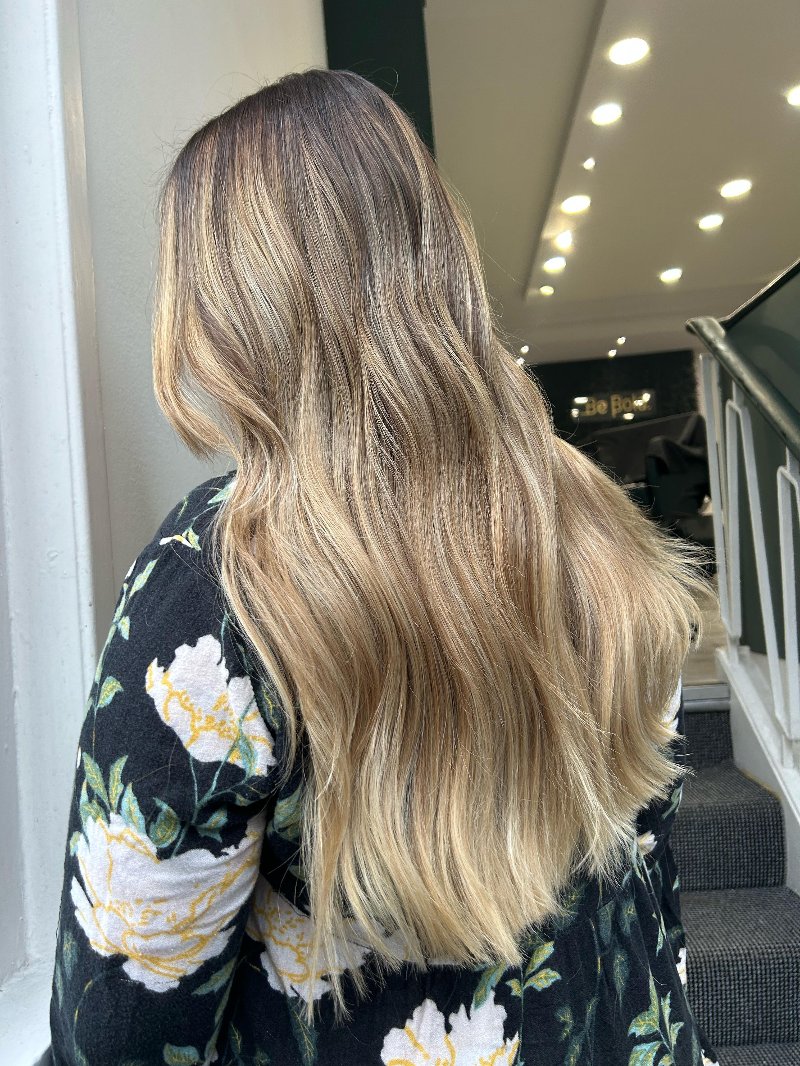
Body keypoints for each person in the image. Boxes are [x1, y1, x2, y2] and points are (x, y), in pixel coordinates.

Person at [47, 68, 720, 1065]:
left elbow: (122, 1024)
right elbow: (647, 898)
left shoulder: (224, 574)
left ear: (228, 302)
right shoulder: (592, 521)